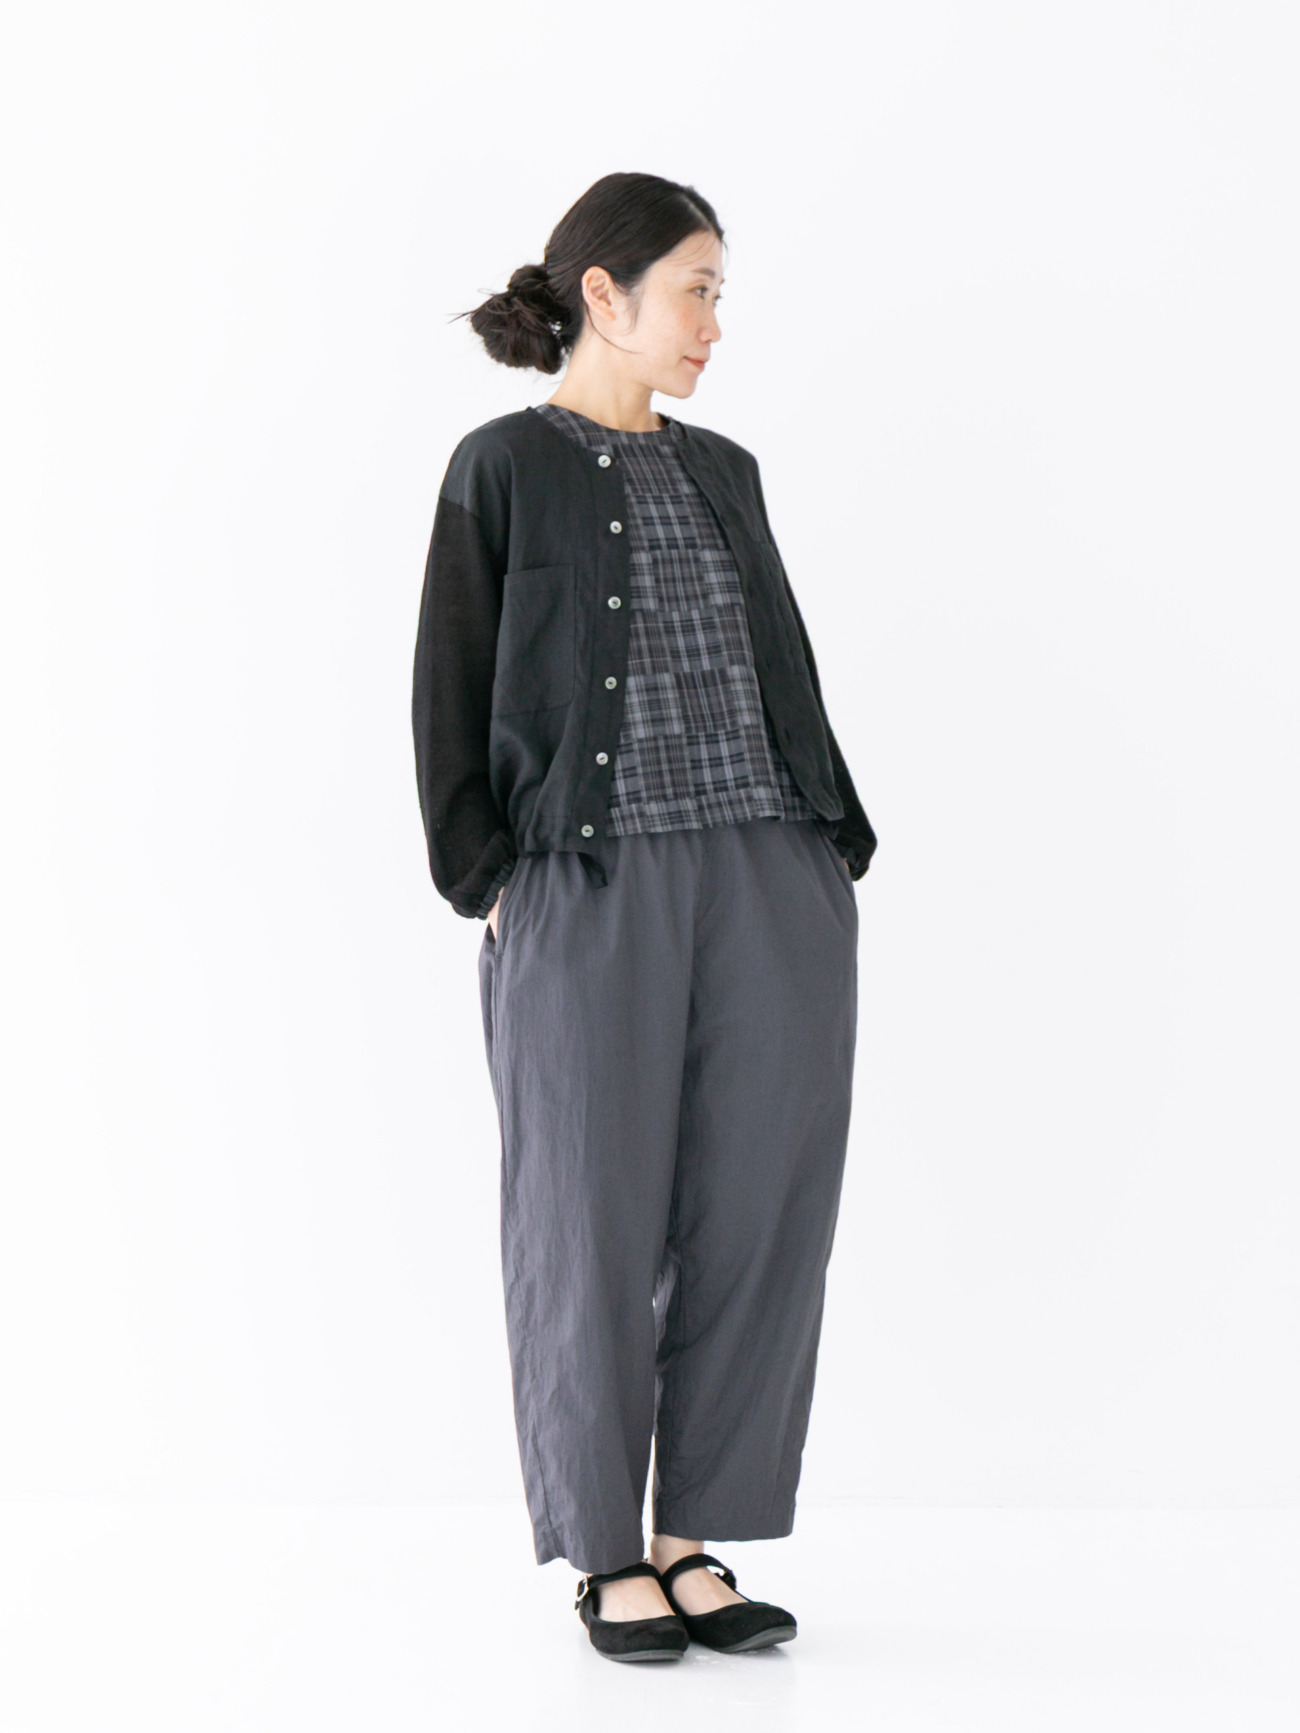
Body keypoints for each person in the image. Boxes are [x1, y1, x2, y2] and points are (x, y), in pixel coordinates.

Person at [412, 171, 878, 1662]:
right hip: (589, 880)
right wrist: (487, 874)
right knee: (587, 1215)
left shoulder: (727, 469)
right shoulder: (501, 465)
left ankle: (695, 1538)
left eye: (721, 294)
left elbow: (780, 657)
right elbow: (449, 680)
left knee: (761, 1215)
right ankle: (606, 1549)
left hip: (768, 874)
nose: (713, 324)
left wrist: (833, 843)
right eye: (696, 290)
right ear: (603, 295)